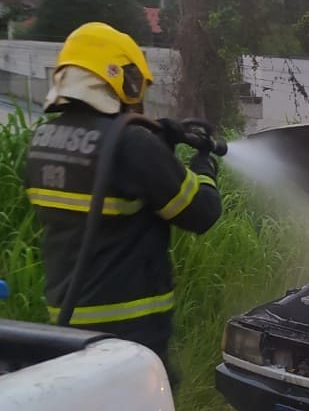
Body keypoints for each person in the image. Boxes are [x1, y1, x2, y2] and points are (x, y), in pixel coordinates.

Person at [24, 21, 221, 375]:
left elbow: (115, 182)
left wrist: (162, 143)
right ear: (121, 78)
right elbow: (202, 213)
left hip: (68, 326)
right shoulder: (131, 145)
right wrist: (204, 167)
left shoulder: (43, 139)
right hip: (131, 327)